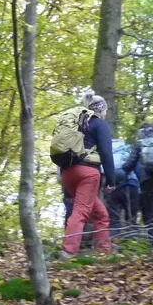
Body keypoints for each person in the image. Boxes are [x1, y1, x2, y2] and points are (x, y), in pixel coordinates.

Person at [60, 95, 115, 257]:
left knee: (100, 214)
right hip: (87, 174)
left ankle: (103, 251)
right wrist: (111, 180)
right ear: (102, 109)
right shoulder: (99, 123)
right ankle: (68, 251)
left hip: (68, 174)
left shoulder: (76, 126)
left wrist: (67, 191)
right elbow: (106, 152)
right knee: (81, 212)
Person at [107, 137, 141, 239]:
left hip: (112, 188)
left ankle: (114, 243)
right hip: (131, 184)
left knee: (114, 219)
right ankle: (133, 244)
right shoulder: (127, 149)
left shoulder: (105, 149)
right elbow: (137, 167)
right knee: (131, 218)